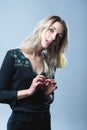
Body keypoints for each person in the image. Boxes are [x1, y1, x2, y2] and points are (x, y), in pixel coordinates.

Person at [0, 15, 68, 130]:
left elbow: (49, 99)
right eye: (51, 30)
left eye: (58, 37)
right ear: (42, 27)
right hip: (20, 125)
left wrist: (47, 95)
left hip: (44, 123)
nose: (52, 38)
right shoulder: (13, 56)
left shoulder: (49, 62)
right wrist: (29, 91)